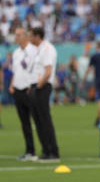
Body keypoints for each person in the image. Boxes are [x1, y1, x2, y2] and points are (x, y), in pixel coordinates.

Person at [28, 27, 60, 162]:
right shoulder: (39, 49)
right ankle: (46, 150)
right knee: (38, 120)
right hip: (37, 86)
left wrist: (38, 87)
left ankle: (53, 151)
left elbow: (48, 71)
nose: (30, 38)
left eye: (31, 35)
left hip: (43, 86)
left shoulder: (47, 48)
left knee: (45, 120)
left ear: (37, 36)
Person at [9, 27, 38, 161]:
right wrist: (12, 84)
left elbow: (36, 70)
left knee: (38, 120)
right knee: (24, 122)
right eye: (16, 35)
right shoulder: (16, 53)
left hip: (29, 90)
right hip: (18, 90)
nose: (16, 37)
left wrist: (33, 85)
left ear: (26, 36)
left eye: (19, 35)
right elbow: (16, 71)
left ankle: (47, 149)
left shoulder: (33, 50)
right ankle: (30, 150)